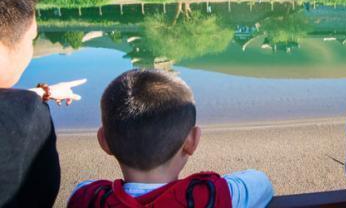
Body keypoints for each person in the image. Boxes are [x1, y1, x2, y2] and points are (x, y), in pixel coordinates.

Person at [68, 69, 274, 208]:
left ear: (104, 141)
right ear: (192, 141)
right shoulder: (208, 196)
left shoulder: (87, 198)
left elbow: (83, 187)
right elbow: (261, 183)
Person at [0, 0, 84, 207]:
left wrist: (41, 92)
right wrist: (31, 101)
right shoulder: (26, 115)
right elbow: (43, 190)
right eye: (32, 38)